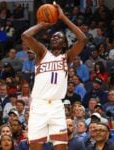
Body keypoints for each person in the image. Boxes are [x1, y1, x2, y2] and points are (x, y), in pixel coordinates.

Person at [21, 3, 86, 150]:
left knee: (61, 146)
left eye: (59, 37)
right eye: (53, 37)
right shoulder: (42, 53)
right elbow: (25, 36)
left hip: (57, 105)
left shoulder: (66, 57)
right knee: (36, 146)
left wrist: (63, 18)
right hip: (39, 105)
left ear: (64, 44)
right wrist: (40, 25)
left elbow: (82, 39)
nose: (55, 38)